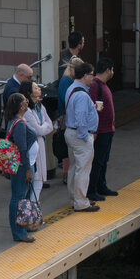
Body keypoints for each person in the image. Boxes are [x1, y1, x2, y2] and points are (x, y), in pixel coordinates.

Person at [65, 63, 100, 213]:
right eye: (92, 74)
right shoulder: (82, 95)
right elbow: (80, 119)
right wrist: (86, 136)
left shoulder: (71, 89)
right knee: (83, 169)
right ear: (85, 75)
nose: (93, 78)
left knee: (74, 167)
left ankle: (74, 198)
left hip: (71, 133)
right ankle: (81, 202)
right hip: (80, 136)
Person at [3, 94, 36, 242]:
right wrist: (28, 168)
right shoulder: (19, 123)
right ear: (20, 105)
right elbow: (22, 148)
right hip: (22, 166)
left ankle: (24, 225)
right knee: (19, 197)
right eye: (25, 100)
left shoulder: (15, 120)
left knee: (23, 197)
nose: (27, 102)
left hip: (22, 164)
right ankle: (19, 232)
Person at [87, 58, 117, 202]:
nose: (113, 72)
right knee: (98, 161)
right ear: (107, 70)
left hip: (108, 129)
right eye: (112, 69)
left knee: (104, 160)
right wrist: (95, 131)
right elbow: (92, 108)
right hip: (101, 130)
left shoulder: (103, 85)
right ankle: (92, 189)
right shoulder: (95, 85)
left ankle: (101, 186)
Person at [21, 81, 54, 200]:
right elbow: (38, 131)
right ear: (29, 93)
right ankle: (32, 212)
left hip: (40, 145)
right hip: (32, 149)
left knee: (38, 183)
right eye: (35, 88)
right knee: (35, 182)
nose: (39, 89)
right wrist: (43, 126)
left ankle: (34, 212)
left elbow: (50, 125)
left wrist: (42, 126)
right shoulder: (27, 111)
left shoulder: (40, 106)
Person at [56, 55, 84, 183]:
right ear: (72, 69)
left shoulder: (70, 80)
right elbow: (65, 100)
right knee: (67, 148)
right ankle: (66, 175)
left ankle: (68, 174)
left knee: (69, 148)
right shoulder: (66, 81)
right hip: (66, 118)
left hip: (68, 117)